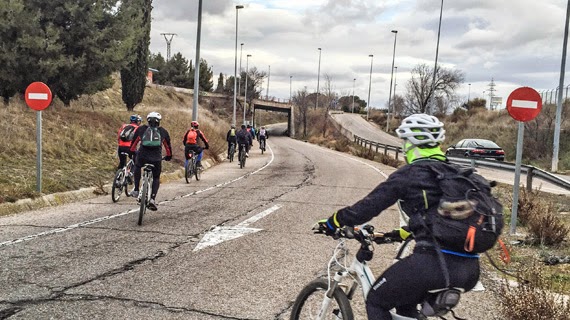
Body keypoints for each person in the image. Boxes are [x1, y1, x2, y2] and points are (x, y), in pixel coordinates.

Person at [319, 114, 480, 320]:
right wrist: (395, 235)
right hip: (469, 270)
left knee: (376, 300)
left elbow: (367, 208)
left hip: (433, 265)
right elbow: (437, 218)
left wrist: (333, 222)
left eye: (404, 141)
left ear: (411, 143)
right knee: (405, 305)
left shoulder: (410, 174)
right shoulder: (457, 175)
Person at [129, 112, 172, 211]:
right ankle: (152, 199)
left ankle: (136, 189)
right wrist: (169, 156)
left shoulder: (141, 129)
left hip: (143, 155)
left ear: (148, 120)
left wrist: (132, 152)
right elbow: (168, 147)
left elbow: (133, 144)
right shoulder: (163, 131)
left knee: (138, 166)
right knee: (156, 177)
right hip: (156, 158)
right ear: (159, 121)